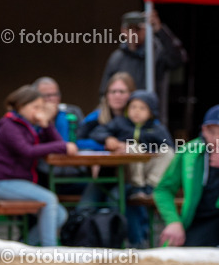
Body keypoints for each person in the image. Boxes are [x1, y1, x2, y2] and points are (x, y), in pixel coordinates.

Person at [0, 85, 77, 246]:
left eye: (41, 107)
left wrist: (46, 124)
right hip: (0, 183)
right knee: (49, 199)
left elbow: (57, 142)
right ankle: (50, 251)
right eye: (35, 107)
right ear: (21, 106)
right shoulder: (9, 125)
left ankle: (26, 246)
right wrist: (62, 147)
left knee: (60, 215)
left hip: (20, 183)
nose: (39, 111)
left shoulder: (31, 126)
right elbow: (27, 151)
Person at [93, 90, 174, 248]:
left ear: (151, 113)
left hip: (147, 172)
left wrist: (147, 146)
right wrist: (109, 139)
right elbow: (97, 132)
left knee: (167, 151)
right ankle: (138, 187)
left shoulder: (156, 129)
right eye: (133, 107)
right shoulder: (120, 123)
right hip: (127, 174)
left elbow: (169, 145)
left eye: (142, 108)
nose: (136, 111)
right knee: (132, 147)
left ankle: (150, 187)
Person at [99, 10, 186, 125]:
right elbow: (104, 91)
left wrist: (160, 31)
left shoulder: (156, 52)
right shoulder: (117, 58)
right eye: (130, 29)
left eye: (138, 29)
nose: (133, 34)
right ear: (122, 31)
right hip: (123, 121)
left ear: (146, 30)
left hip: (151, 120)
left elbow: (178, 59)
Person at [156, 105, 219, 247]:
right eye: (214, 133)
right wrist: (173, 221)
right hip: (200, 222)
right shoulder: (189, 151)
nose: (218, 140)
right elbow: (163, 189)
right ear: (205, 131)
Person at [76, 72, 135, 150]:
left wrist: (130, 148)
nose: (117, 96)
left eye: (122, 91)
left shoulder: (141, 118)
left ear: (132, 94)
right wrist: (106, 145)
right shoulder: (95, 117)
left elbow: (153, 144)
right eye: (113, 91)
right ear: (107, 95)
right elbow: (76, 141)